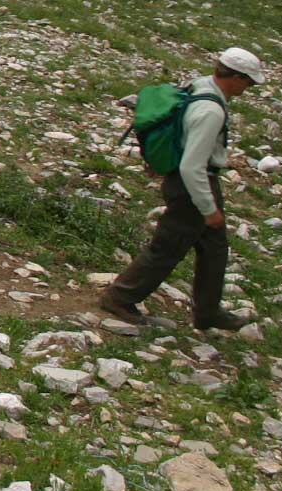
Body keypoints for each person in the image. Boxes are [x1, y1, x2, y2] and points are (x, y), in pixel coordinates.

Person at [100, 47, 267, 331]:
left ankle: (208, 311)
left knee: (215, 248)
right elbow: (193, 166)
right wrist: (208, 208)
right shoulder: (211, 110)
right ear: (237, 77)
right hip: (193, 186)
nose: (249, 88)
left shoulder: (200, 85)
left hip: (186, 180)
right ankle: (120, 297)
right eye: (249, 82)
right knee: (168, 246)